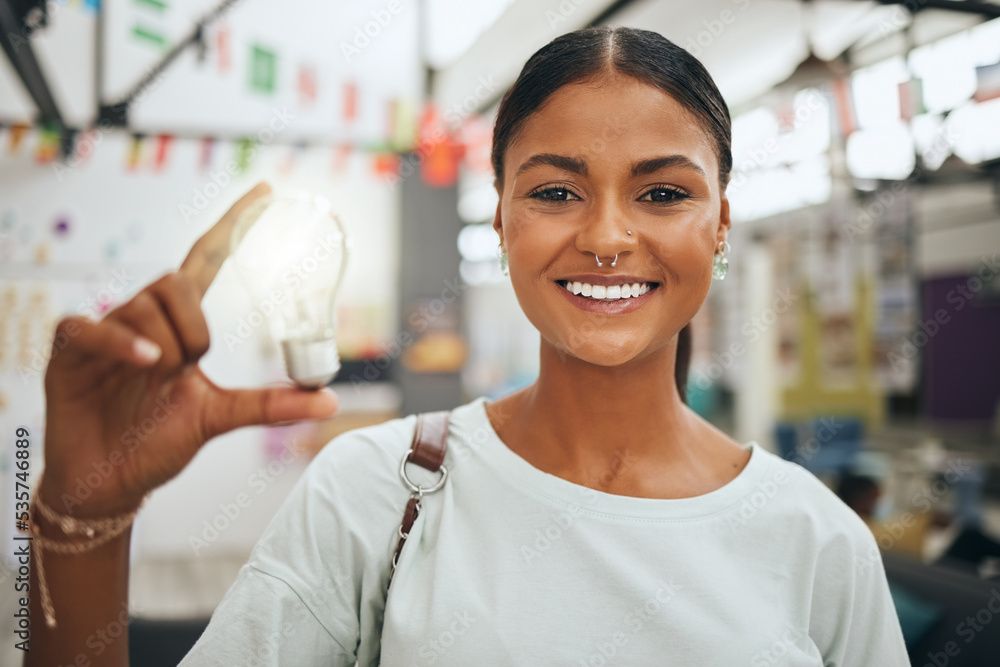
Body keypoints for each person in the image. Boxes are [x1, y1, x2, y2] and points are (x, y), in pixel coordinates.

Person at [28, 27, 908, 666]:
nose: (606, 236)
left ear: (719, 224)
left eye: (663, 192)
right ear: (501, 219)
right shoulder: (373, 491)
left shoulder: (817, 541)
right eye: (557, 190)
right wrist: (82, 517)